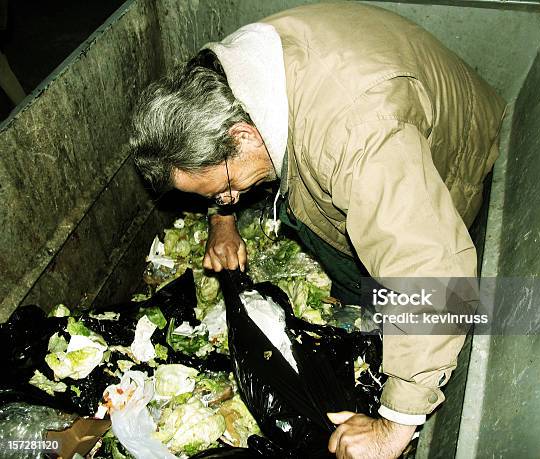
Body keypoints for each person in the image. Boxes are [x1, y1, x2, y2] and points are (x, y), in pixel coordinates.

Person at [129, 3, 505, 458]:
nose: (228, 196)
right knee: (316, 218)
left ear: (243, 135)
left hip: (454, 153)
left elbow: (431, 266)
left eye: (225, 187)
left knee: (398, 282)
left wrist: (394, 426)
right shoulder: (224, 75)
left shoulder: (357, 139)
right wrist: (221, 219)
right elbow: (215, 164)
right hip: (376, 115)